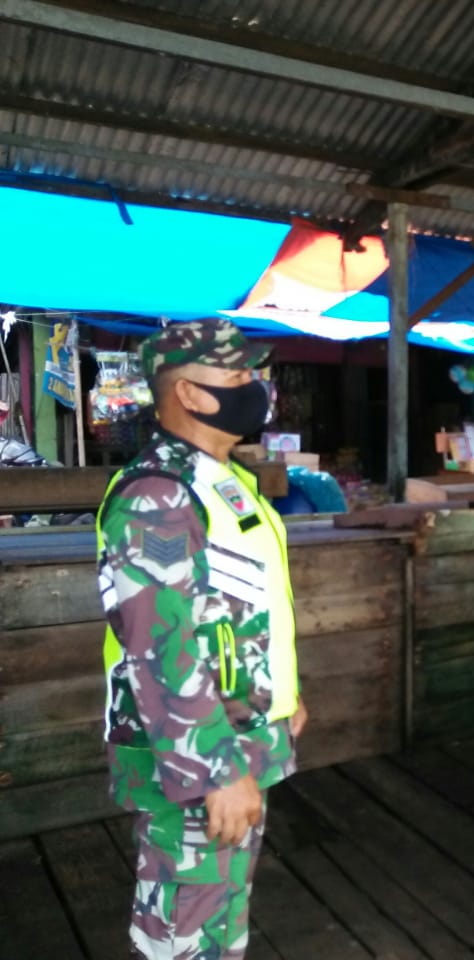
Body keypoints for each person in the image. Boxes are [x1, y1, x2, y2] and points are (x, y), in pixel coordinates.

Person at [96, 319, 307, 960]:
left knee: (217, 921)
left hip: (235, 737)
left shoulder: (218, 476)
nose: (255, 386)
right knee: (183, 937)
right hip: (197, 755)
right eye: (237, 374)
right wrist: (215, 770)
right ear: (187, 393)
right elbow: (158, 646)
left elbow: (245, 604)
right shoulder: (158, 494)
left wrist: (284, 698)